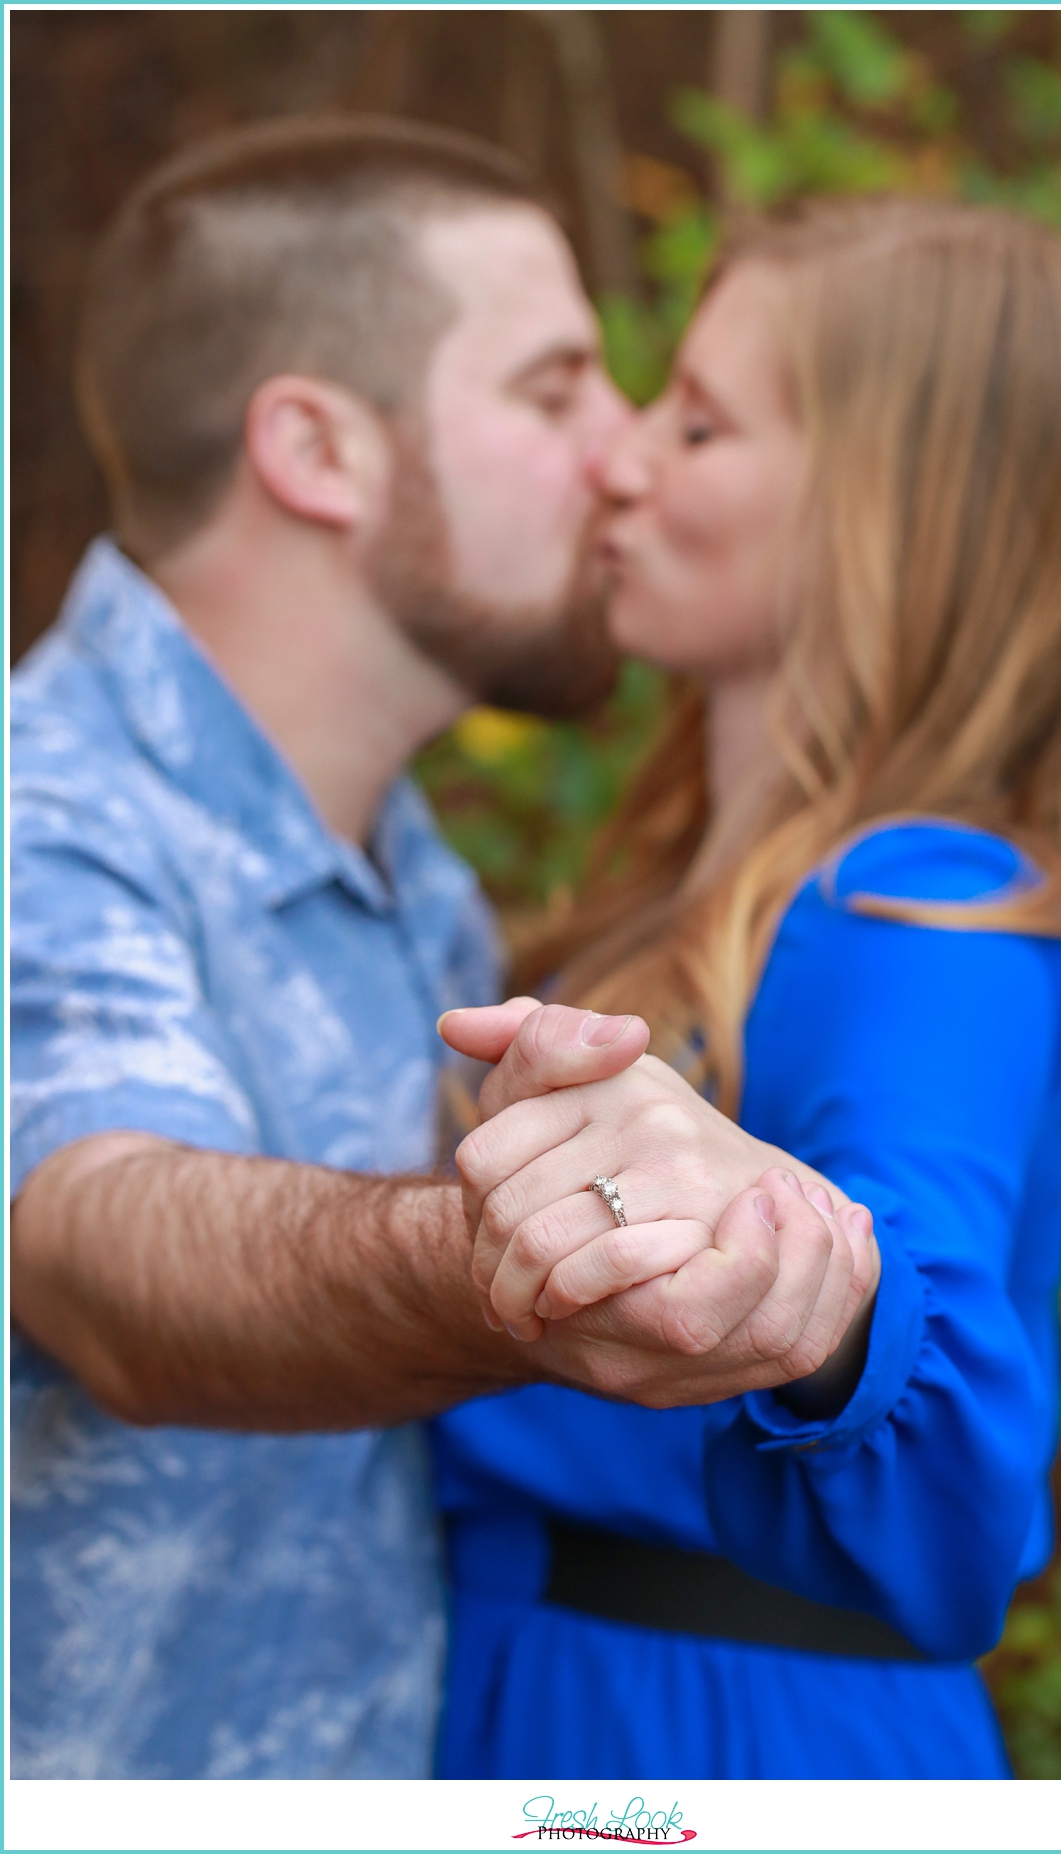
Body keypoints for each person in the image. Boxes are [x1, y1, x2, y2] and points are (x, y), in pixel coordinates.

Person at [9, 117, 872, 1779]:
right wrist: (520, 1256)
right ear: (319, 451)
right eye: (556, 394)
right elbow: (105, 1250)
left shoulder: (425, 882)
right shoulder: (42, 813)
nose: (626, 460)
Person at [430, 196, 1061, 1778]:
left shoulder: (923, 910)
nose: (618, 460)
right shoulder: (726, 890)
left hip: (718, 1737)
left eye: (697, 426)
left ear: (900, 510)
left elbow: (943, 1382)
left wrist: (827, 1305)